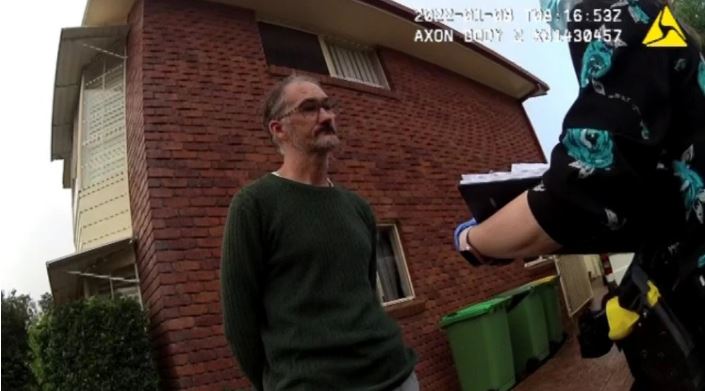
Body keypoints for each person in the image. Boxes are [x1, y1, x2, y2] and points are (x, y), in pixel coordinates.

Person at [454, 0, 705, 390]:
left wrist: (475, 240)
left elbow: (580, 191)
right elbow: (642, 183)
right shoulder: (663, 26)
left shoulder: (610, 11)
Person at [221, 75, 417, 391]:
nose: (326, 117)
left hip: (396, 376)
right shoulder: (254, 205)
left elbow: (365, 292)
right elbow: (239, 321)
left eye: (328, 106)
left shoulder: (357, 207)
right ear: (278, 129)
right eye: (309, 108)